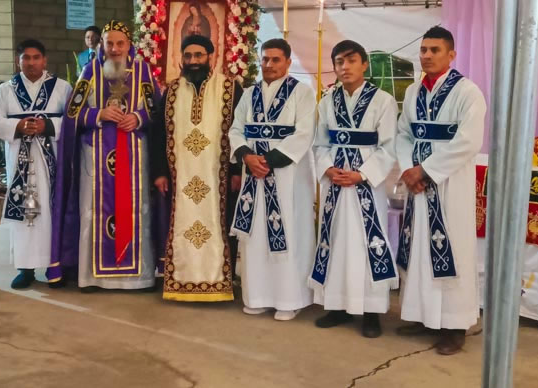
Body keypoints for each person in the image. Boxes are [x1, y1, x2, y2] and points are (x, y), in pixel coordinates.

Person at [395, 26, 486, 355]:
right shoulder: (413, 91)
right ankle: (423, 315)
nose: (427, 55)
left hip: (450, 184)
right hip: (417, 185)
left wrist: (426, 171)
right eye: (423, 50)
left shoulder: (468, 92)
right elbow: (403, 134)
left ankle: (454, 325)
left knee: (453, 249)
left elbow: (468, 141)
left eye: (435, 50)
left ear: (451, 55)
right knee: (419, 248)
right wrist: (409, 169)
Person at [49, 20, 159, 291]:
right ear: (102, 44)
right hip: (96, 158)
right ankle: (93, 277)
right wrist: (99, 113)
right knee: (95, 212)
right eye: (109, 43)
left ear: (129, 44)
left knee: (136, 212)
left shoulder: (143, 71)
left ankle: (137, 277)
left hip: (135, 156)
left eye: (120, 43)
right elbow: (72, 112)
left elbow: (156, 109)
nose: (115, 49)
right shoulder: (90, 71)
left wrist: (138, 117)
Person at [310, 40, 399, 338]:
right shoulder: (327, 101)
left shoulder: (383, 100)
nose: (345, 67)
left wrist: (362, 174)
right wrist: (327, 168)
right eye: (339, 62)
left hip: (366, 185)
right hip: (336, 182)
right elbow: (320, 143)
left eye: (351, 60)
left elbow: (388, 146)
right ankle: (337, 305)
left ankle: (371, 311)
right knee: (335, 240)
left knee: (366, 242)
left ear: (364, 64)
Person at [229, 38, 316, 320]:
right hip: (253, 175)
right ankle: (257, 296)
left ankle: (290, 299)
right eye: (265, 59)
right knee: (254, 237)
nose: (269, 64)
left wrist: (267, 161)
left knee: (289, 233)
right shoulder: (249, 94)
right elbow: (236, 130)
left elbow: (304, 133)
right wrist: (246, 156)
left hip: (287, 176)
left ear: (288, 62)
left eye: (275, 59)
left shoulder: (302, 93)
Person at [151, 34, 242, 302]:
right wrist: (159, 172)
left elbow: (240, 132)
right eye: (188, 56)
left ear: (211, 57)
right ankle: (181, 279)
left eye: (199, 55)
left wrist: (237, 170)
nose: (193, 61)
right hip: (180, 177)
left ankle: (220, 280)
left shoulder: (230, 89)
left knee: (221, 224)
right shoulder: (171, 91)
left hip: (219, 178)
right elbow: (158, 134)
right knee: (181, 224)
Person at [0, 40, 71, 289]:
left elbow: (73, 120)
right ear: (18, 61)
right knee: (25, 215)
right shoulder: (6, 90)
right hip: (20, 164)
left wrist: (48, 126)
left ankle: (54, 267)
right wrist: (17, 125)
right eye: (26, 58)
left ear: (45, 60)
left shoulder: (62, 88)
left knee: (51, 212)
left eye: (36, 58)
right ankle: (25, 269)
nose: (31, 63)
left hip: (51, 165)